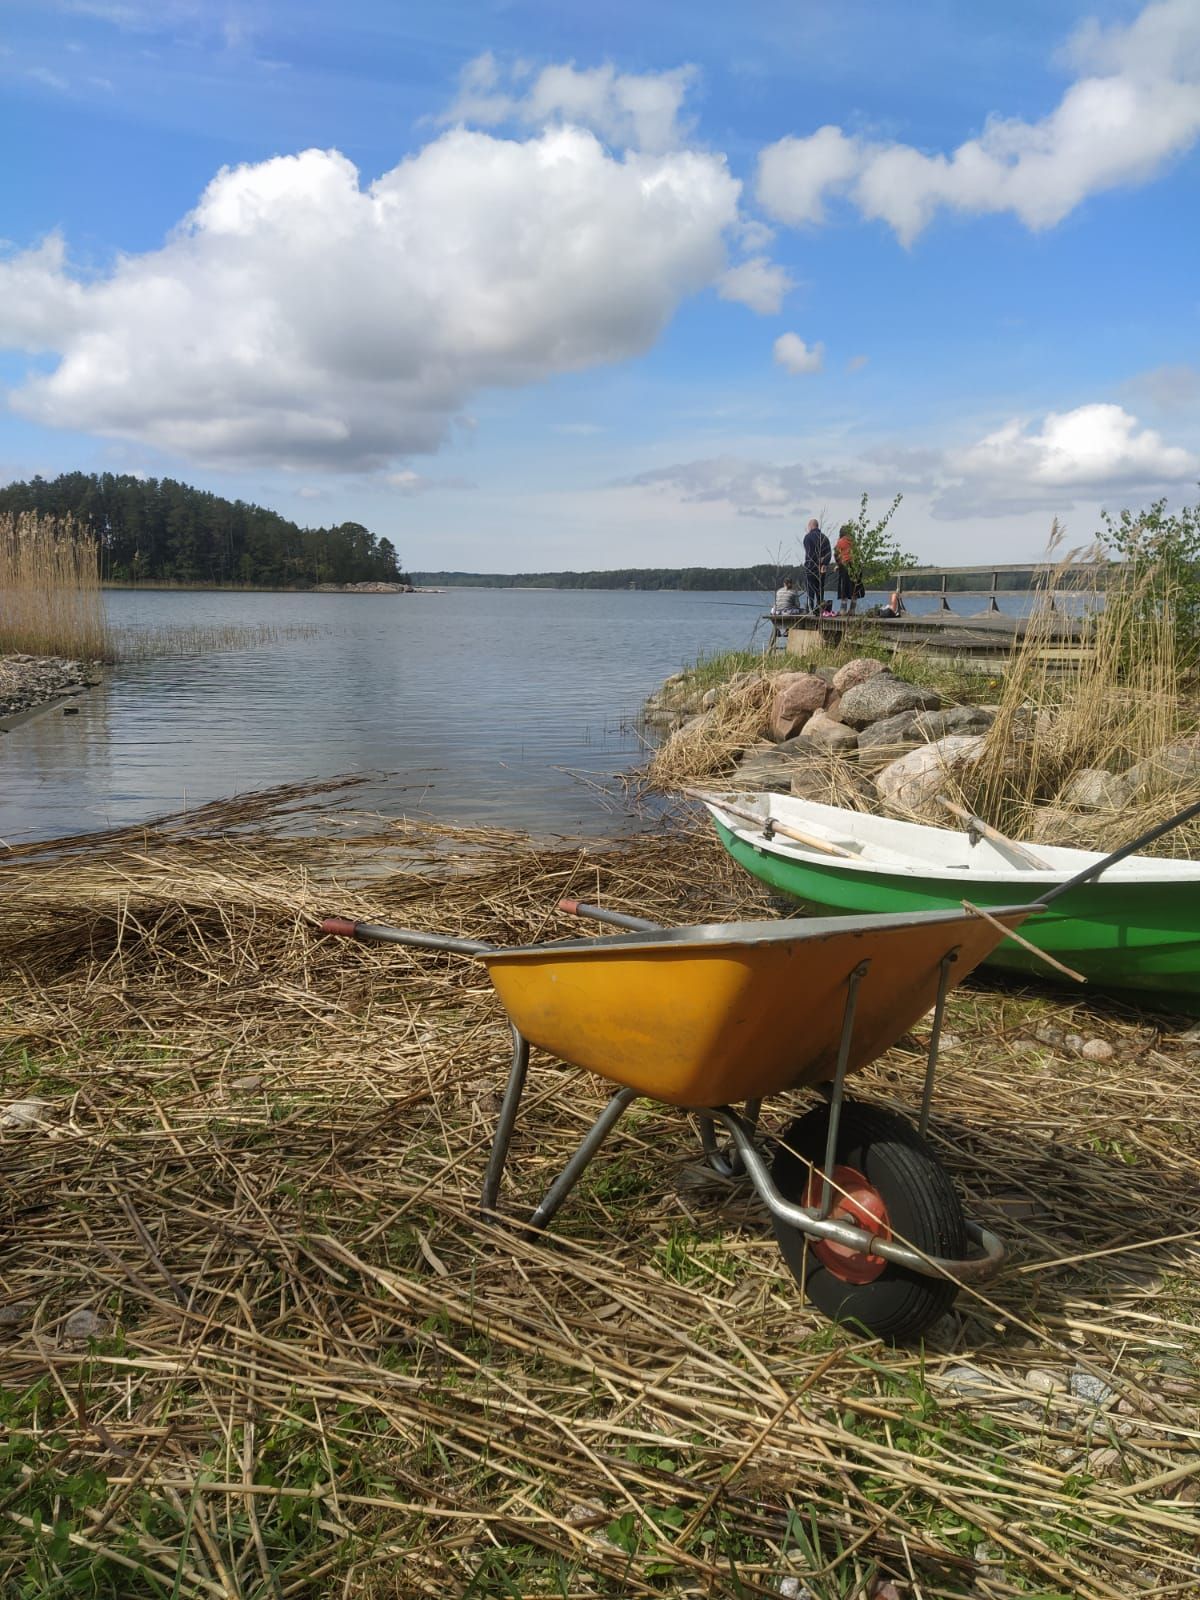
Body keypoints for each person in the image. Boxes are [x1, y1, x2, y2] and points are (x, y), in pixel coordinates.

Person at [834, 524, 866, 615]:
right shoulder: (854, 542)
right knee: (854, 590)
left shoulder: (840, 542)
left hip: (845, 566)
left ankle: (843, 610)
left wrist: (838, 565)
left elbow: (837, 555)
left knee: (844, 589)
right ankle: (852, 610)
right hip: (856, 566)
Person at [802, 519, 830, 614]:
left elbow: (809, 554)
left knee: (810, 590)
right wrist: (824, 564)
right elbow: (828, 554)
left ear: (810, 526)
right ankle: (819, 610)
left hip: (810, 567)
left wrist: (815, 562)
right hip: (821, 569)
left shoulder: (808, 537)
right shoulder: (825, 538)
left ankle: (811, 610)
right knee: (820, 590)